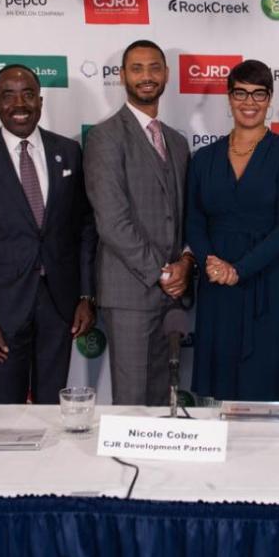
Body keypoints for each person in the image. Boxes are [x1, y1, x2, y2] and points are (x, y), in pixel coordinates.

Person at [0, 64, 97, 404]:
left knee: (53, 406)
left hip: (59, 301)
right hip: (3, 309)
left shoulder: (69, 151)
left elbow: (84, 229)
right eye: (8, 95)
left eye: (28, 94)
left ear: (40, 100)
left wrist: (86, 295)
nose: (19, 103)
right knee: (6, 407)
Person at [187, 60, 279, 402]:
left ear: (269, 99)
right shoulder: (204, 157)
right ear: (229, 97)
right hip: (216, 279)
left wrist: (239, 270)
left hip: (267, 278)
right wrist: (212, 262)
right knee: (220, 379)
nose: (249, 102)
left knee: (264, 380)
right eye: (240, 93)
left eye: (258, 94)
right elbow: (194, 220)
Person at [84, 40, 193, 406]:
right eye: (137, 68)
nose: (146, 76)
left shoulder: (176, 142)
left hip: (172, 293)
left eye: (154, 68)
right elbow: (112, 221)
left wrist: (183, 266)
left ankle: (161, 465)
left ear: (165, 74)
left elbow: (182, 216)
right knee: (131, 400)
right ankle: (127, 465)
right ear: (122, 77)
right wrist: (162, 273)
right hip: (130, 291)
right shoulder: (105, 137)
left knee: (165, 396)